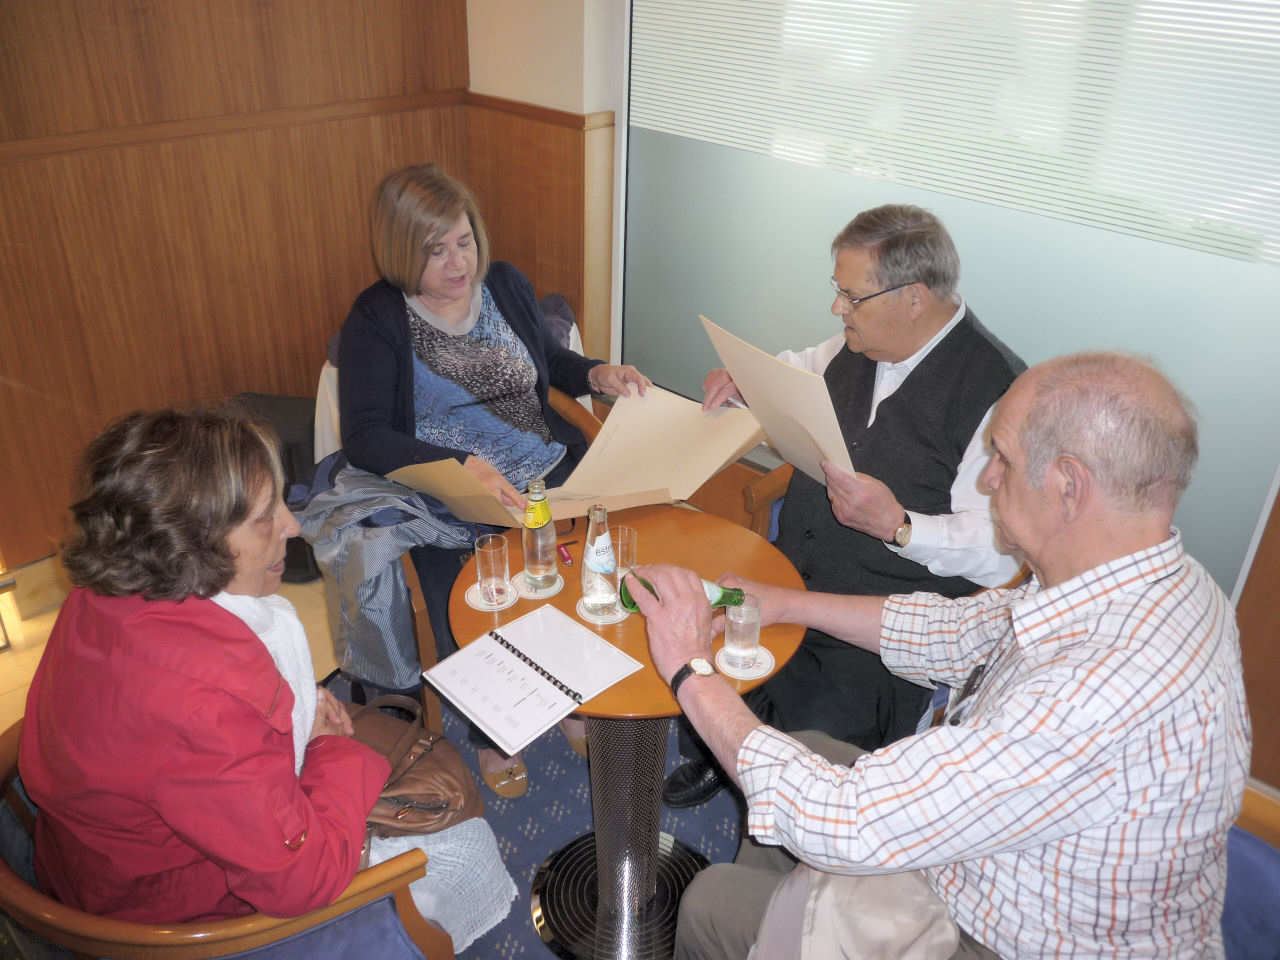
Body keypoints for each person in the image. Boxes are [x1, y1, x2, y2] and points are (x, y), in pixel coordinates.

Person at [627, 352, 1250, 959]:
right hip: (1006, 856)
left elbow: (842, 818)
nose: (987, 479)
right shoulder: (1152, 582)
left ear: (1069, 485)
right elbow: (955, 632)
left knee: (709, 902)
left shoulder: (1098, 692)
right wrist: (790, 603)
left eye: (1003, 458)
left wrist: (690, 667)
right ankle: (778, 909)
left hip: (996, 936)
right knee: (807, 752)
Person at [666, 203, 1024, 807]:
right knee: (705, 630)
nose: (838, 308)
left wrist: (902, 526)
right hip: (790, 568)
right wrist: (743, 382)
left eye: (851, 297)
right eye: (838, 291)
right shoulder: (863, 341)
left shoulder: (999, 396)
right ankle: (721, 756)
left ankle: (756, 781)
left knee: (813, 740)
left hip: (879, 626)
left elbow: (1000, 552)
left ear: (914, 298)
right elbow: (795, 372)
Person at [338, 163, 649, 797]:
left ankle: (571, 695)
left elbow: (546, 363)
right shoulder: (377, 316)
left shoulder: (505, 284)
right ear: (402, 250)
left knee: (588, 577)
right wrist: (457, 465)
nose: (458, 263)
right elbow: (365, 434)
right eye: (435, 251)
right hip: (452, 497)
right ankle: (492, 732)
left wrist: (596, 374)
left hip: (547, 472)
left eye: (465, 241)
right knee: (474, 602)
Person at [18, 409, 387, 922]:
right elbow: (303, 880)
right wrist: (331, 751)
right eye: (265, 517)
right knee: (461, 852)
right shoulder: (204, 704)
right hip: (169, 910)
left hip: (93, 858)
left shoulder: (106, 590)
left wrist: (284, 715)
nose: (292, 525)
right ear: (190, 542)